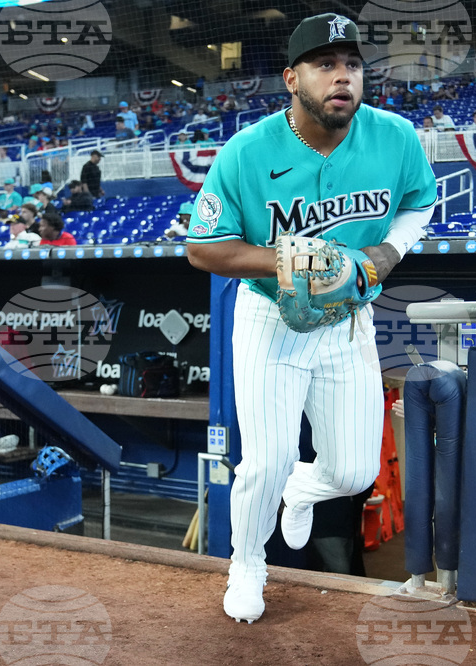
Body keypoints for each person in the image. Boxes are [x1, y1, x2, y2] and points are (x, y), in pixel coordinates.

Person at [184, 13, 438, 625]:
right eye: (325, 65)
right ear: (291, 79)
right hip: (271, 318)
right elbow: (202, 248)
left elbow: (419, 204)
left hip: (348, 321)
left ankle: (304, 488)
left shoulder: (395, 137)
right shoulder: (248, 151)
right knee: (264, 461)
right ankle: (247, 563)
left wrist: (387, 252)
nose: (342, 77)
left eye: (352, 65)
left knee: (352, 471)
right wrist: (288, 259)